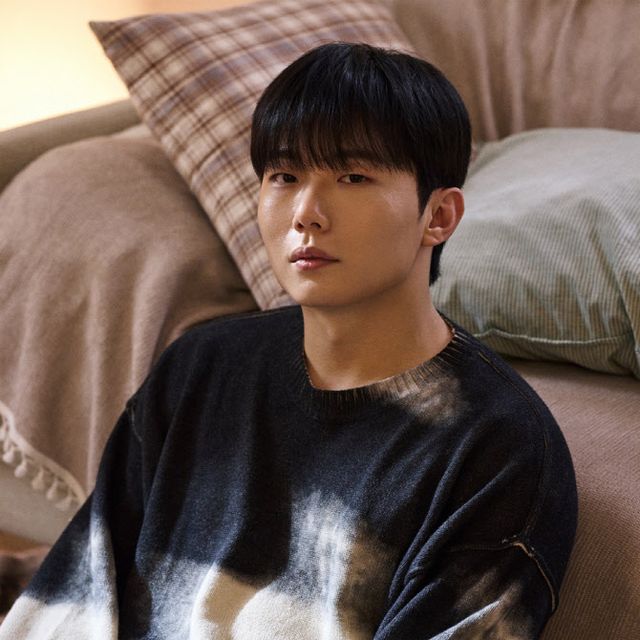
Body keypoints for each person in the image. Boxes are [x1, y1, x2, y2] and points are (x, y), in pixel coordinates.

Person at [0, 42, 577, 639]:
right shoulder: (200, 367)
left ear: (439, 217)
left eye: (353, 177)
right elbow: (79, 592)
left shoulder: (498, 450)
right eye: (284, 176)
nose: (307, 213)